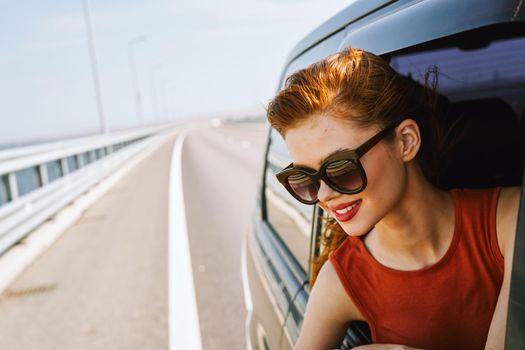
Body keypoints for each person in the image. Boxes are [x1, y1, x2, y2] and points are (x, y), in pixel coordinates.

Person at [266, 47, 519, 350]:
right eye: (306, 180)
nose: (324, 195)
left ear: (406, 141)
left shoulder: (509, 219)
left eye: (341, 168)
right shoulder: (340, 281)